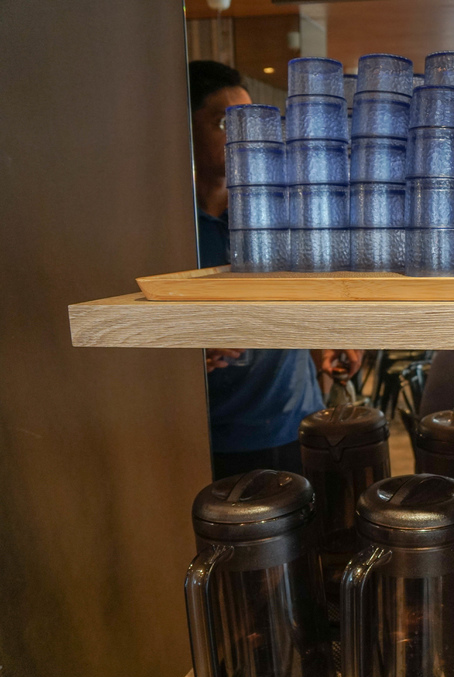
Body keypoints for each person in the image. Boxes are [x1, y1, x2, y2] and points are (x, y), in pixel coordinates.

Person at [189, 60, 325, 479]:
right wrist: (189, 348)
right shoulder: (167, 228)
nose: (244, 135)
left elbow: (306, 290)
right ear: (185, 130)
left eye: (250, 121)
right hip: (214, 434)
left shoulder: (281, 210)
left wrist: (330, 335)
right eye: (224, 123)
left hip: (297, 419)